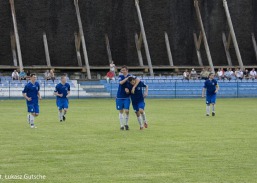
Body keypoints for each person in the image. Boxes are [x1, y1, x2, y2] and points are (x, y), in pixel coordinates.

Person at [116, 65, 140, 131]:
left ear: (127, 70)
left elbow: (138, 79)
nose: (123, 71)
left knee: (127, 110)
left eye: (124, 70)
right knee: (121, 111)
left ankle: (126, 124)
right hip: (119, 96)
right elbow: (120, 83)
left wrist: (133, 87)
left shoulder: (131, 76)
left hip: (127, 96)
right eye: (122, 70)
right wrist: (127, 78)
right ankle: (121, 125)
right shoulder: (120, 76)